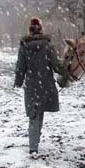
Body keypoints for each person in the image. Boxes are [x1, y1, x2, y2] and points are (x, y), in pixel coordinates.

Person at [14, 17, 66, 155]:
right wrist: (67, 72)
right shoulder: (48, 46)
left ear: (29, 31)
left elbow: (20, 67)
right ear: (41, 30)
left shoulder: (24, 47)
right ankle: (35, 144)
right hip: (46, 85)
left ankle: (33, 146)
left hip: (31, 86)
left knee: (34, 114)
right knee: (40, 112)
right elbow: (56, 66)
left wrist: (18, 82)